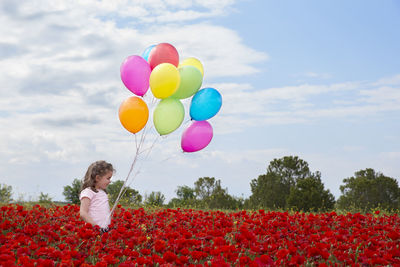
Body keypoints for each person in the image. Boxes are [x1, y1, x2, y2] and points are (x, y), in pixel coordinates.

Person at [79, 160, 114, 232]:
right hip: (93, 230)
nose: (110, 181)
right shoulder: (88, 192)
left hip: (104, 230)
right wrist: (96, 227)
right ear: (97, 178)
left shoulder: (103, 193)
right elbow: (83, 213)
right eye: (108, 178)